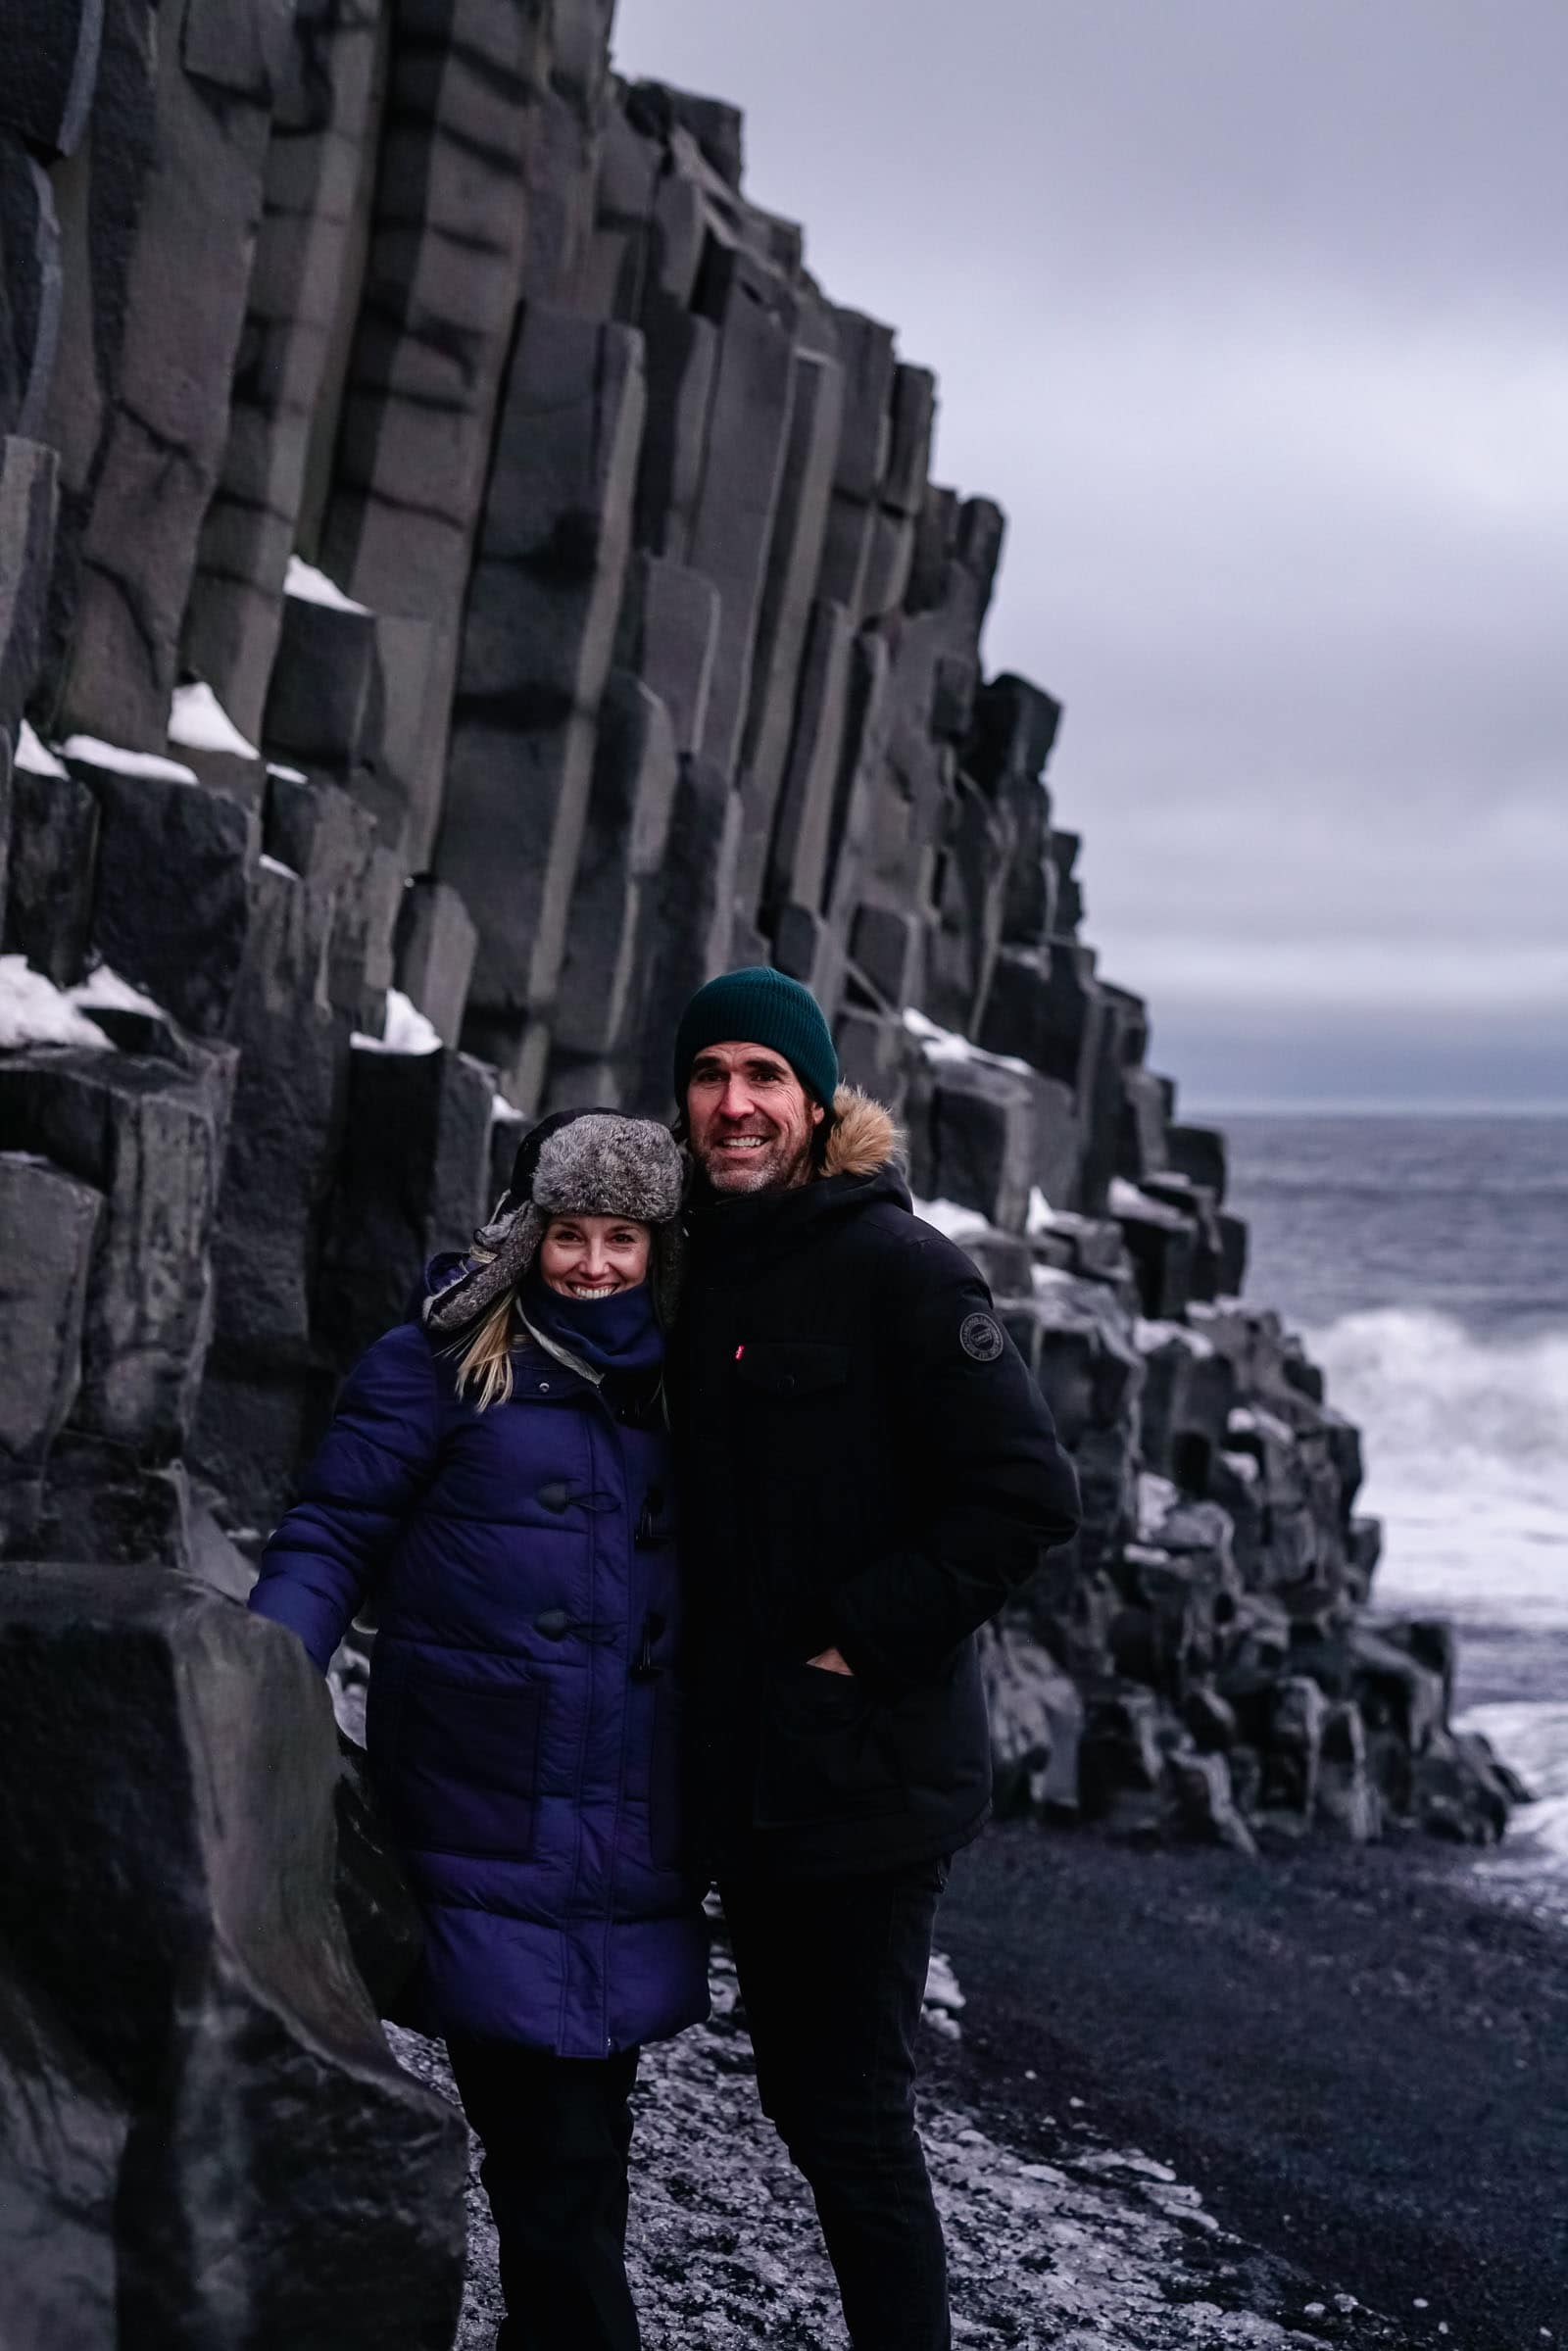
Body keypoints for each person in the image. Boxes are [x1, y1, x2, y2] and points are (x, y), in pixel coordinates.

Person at [669, 966, 1081, 2351]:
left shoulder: (901, 1267)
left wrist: (861, 1636)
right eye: (712, 1073)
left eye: (765, 1076)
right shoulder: (684, 1255)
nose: (736, 1103)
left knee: (846, 2108)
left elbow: (1027, 1491)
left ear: (817, 1097)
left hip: (869, 1773)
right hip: (743, 1766)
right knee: (800, 2091)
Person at [249, 1109, 707, 2351]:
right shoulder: (440, 1364)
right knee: (553, 2164)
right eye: (571, 1233)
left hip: (628, 1828)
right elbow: (332, 1531)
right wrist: (257, 1679)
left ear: (660, 1247)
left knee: (575, 2157)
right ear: (525, 1236)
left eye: (624, 1236)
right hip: (482, 1803)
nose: (596, 1263)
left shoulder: (691, 1385)